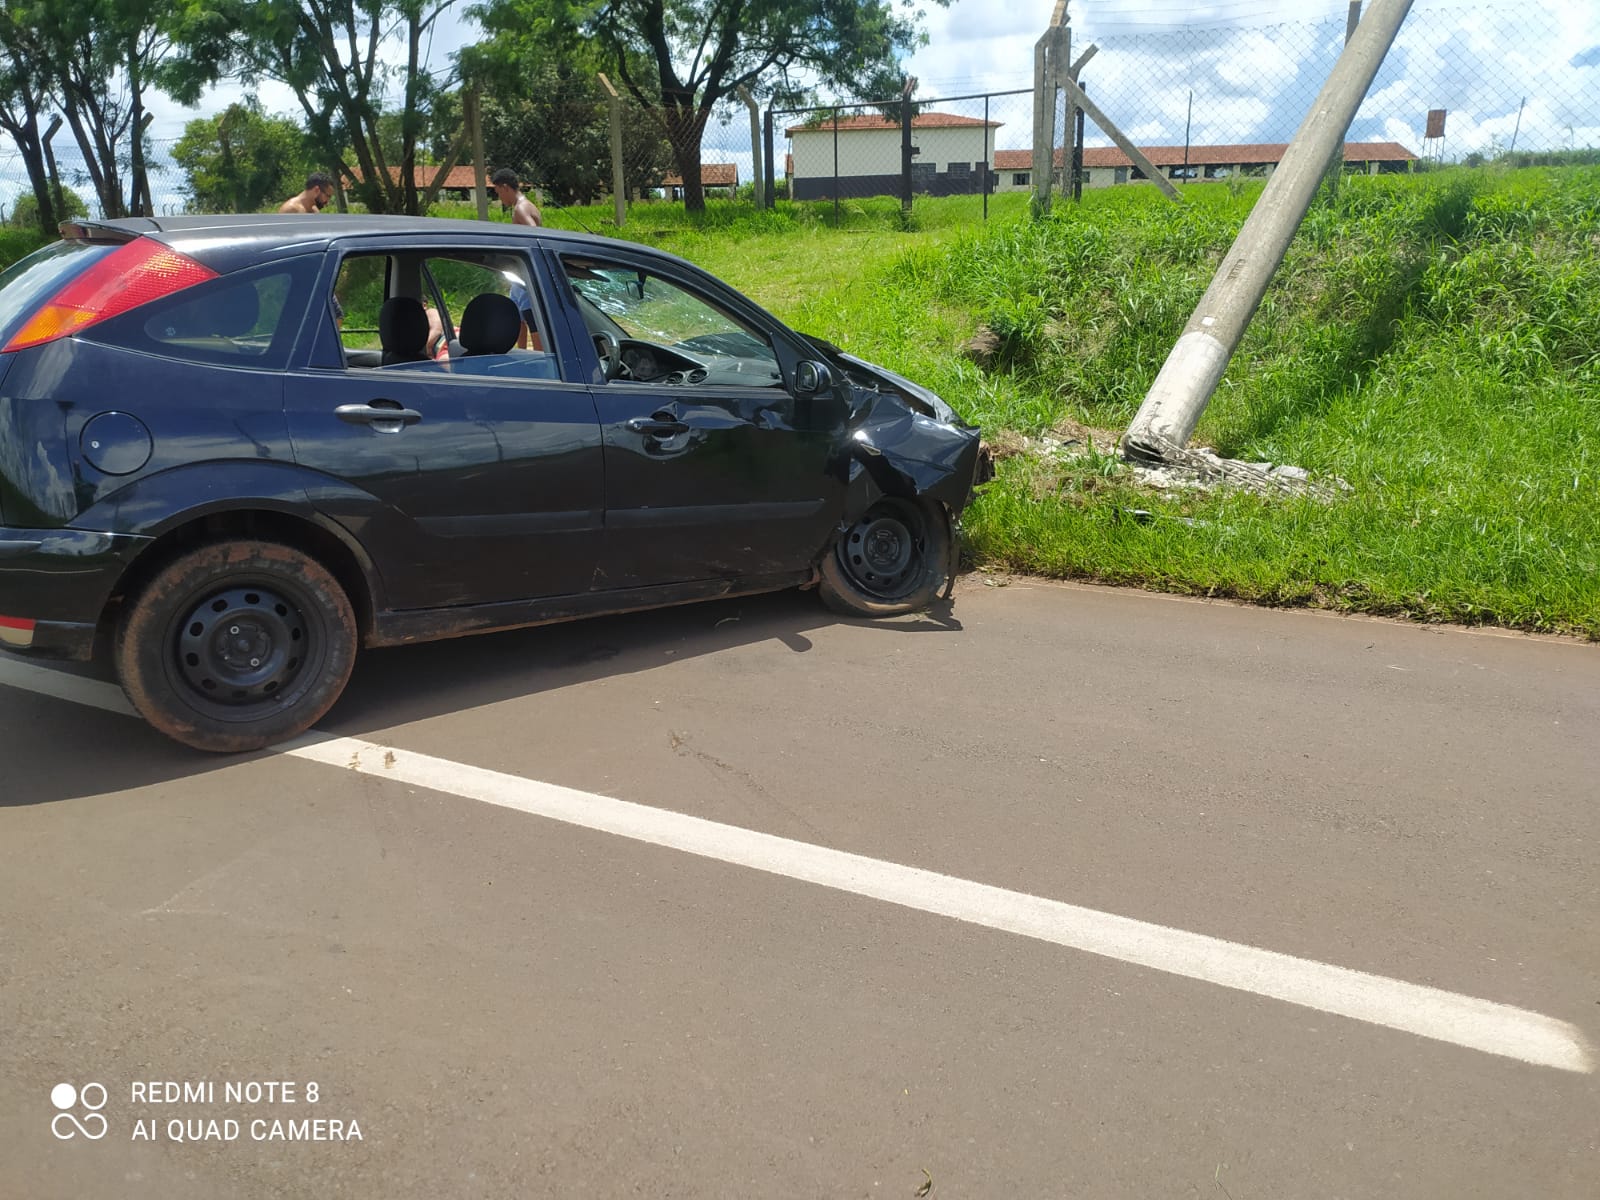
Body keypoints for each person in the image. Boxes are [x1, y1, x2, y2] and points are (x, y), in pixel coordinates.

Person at [492, 168, 543, 349]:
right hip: (518, 277)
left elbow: (535, 236)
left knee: (532, 321)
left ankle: (540, 360)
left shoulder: (521, 208)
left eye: (498, 192)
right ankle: (521, 356)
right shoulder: (525, 206)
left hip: (526, 278)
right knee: (518, 320)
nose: (500, 198)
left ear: (505, 187)